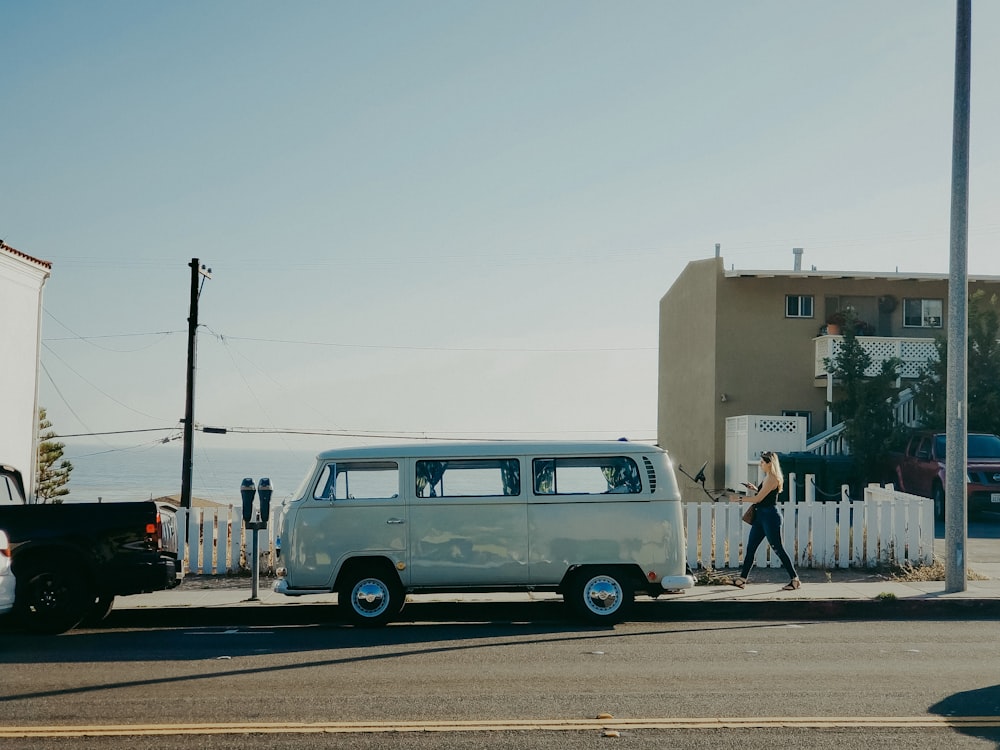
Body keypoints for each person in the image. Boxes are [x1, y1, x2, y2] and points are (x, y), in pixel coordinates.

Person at [730, 450, 801, 590]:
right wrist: (755, 488)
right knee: (751, 548)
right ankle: (742, 579)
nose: (760, 464)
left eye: (762, 462)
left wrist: (738, 499)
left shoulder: (772, 478)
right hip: (761, 517)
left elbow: (758, 499)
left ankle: (795, 580)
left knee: (778, 548)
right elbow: (764, 495)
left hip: (770, 517)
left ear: (770, 464)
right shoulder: (768, 477)